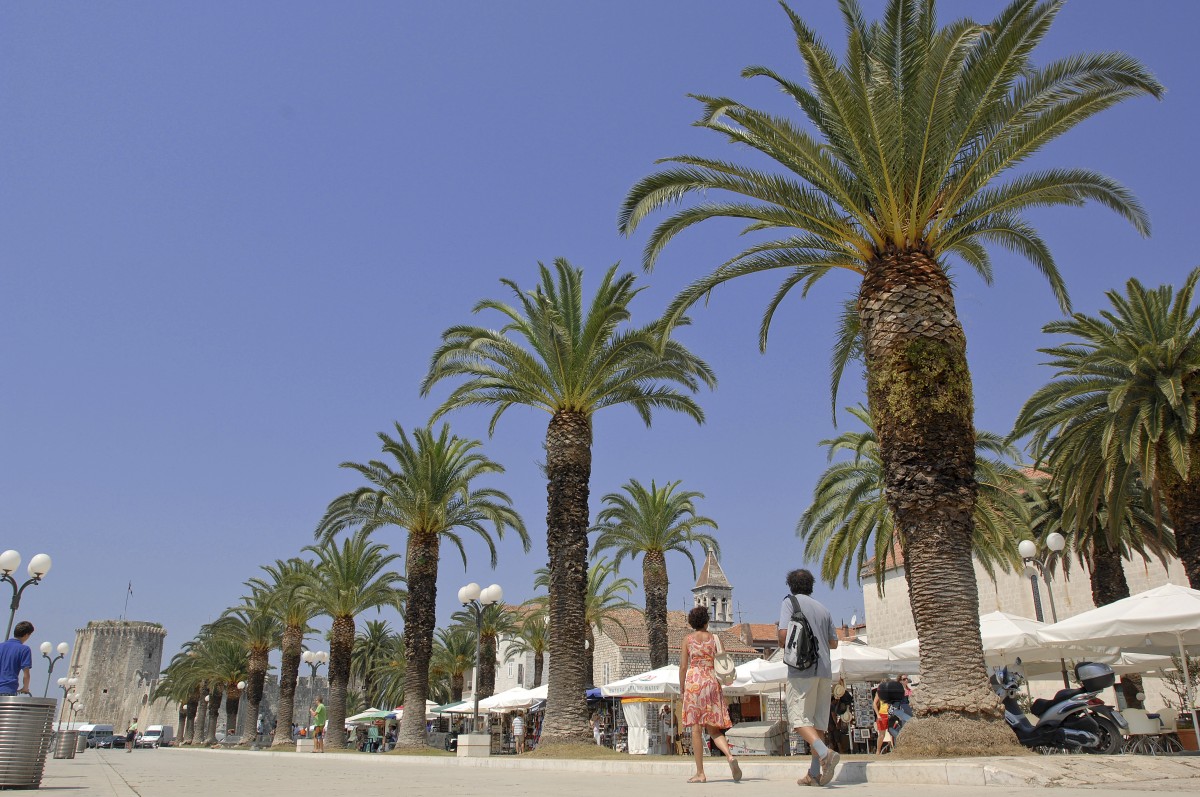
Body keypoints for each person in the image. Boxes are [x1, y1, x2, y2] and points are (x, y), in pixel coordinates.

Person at [777, 568, 839, 787]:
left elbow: (784, 637)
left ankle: (825, 754)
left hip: (802, 670)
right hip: (825, 670)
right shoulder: (823, 608)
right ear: (811, 586)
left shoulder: (790, 603)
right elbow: (834, 643)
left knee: (799, 720)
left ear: (791, 585)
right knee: (817, 723)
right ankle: (814, 773)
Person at [679, 605, 741, 784]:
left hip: (694, 683)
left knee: (696, 729)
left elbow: (683, 666)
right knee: (714, 729)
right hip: (712, 681)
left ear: (692, 623)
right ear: (706, 621)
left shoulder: (688, 640)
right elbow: (722, 660)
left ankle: (700, 773)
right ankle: (729, 755)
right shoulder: (715, 638)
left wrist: (682, 689)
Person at [0, 620, 34, 696]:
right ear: (26, 635)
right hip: (8, 690)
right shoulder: (24, 649)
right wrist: (25, 688)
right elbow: (26, 675)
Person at [872, 687, 891, 754]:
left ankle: (891, 749)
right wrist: (878, 714)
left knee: (892, 733)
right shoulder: (879, 693)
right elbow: (874, 704)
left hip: (889, 714)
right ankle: (878, 750)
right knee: (882, 735)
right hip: (882, 714)